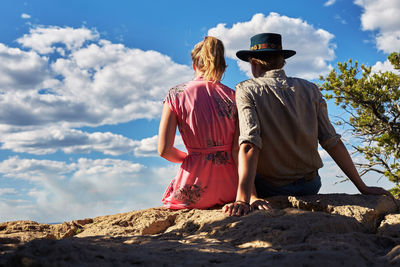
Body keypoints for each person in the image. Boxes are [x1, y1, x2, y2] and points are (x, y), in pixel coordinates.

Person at [223, 33, 391, 216]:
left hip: (270, 187)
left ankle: (252, 196)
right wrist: (362, 187)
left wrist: (243, 199)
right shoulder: (311, 89)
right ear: (282, 61)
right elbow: (331, 141)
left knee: (236, 143)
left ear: (254, 63)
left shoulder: (246, 89)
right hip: (310, 185)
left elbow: (249, 144)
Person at [158, 36, 239, 209]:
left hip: (195, 188)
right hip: (233, 186)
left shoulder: (176, 94)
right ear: (222, 66)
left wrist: (193, 158)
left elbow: (164, 150)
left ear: (194, 65)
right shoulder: (235, 96)